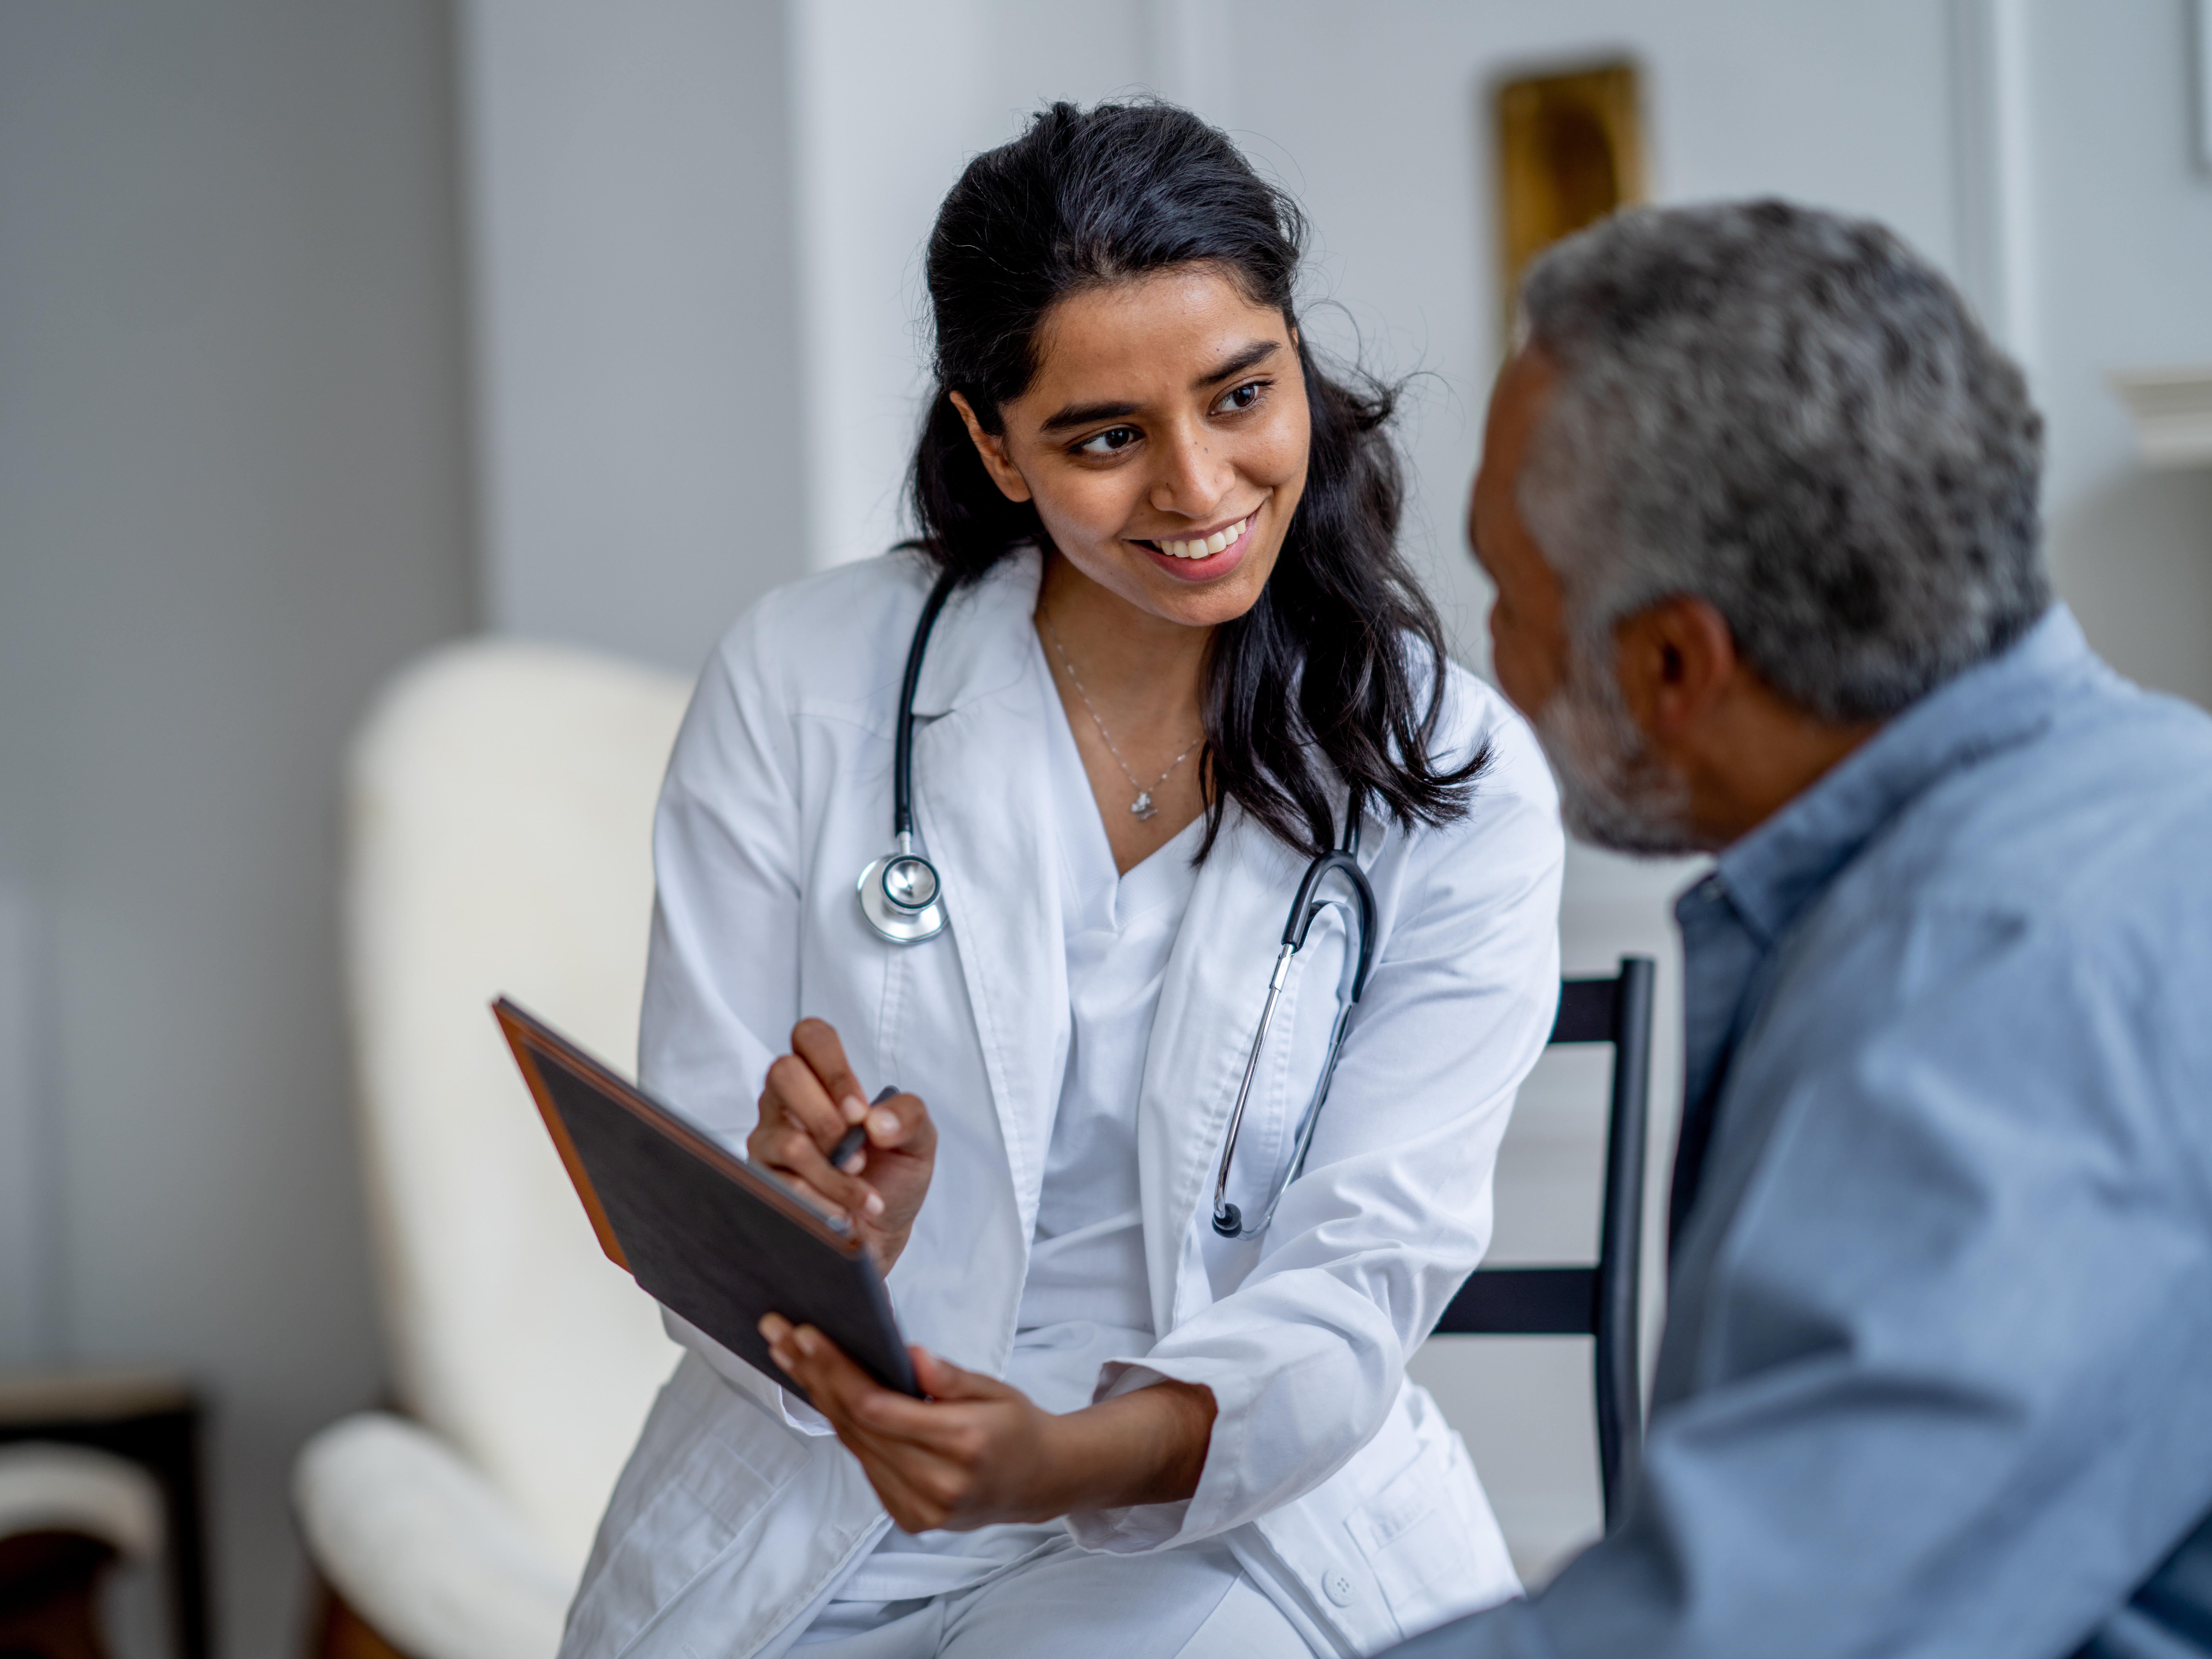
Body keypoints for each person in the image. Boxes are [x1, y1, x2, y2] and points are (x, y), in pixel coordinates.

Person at [557, 102, 1565, 1659]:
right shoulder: (804, 678)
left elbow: (1359, 1281)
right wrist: (819, 1241)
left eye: (1244, 394)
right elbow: (697, 1179)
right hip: (823, 1498)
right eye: (1105, 438)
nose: (1196, 486)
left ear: (1295, 357)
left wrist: (1056, 1459)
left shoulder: (1456, 776)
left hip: (1216, 1518)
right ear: (990, 443)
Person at [1385, 199, 2212, 1658]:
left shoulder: (1987, 977)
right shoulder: (2152, 791)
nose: (1489, 661)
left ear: (1669, 663)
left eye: (1509, 595)